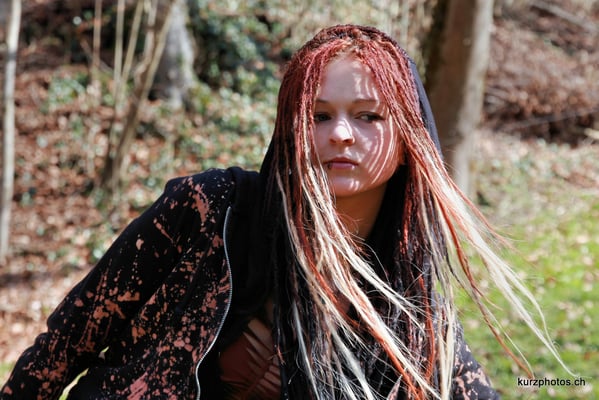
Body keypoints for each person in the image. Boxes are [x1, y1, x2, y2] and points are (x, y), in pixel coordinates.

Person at [1, 24, 564, 400]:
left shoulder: (413, 303)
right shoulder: (210, 211)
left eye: (368, 116)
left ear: (407, 139)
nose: (341, 134)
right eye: (318, 116)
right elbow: (68, 339)